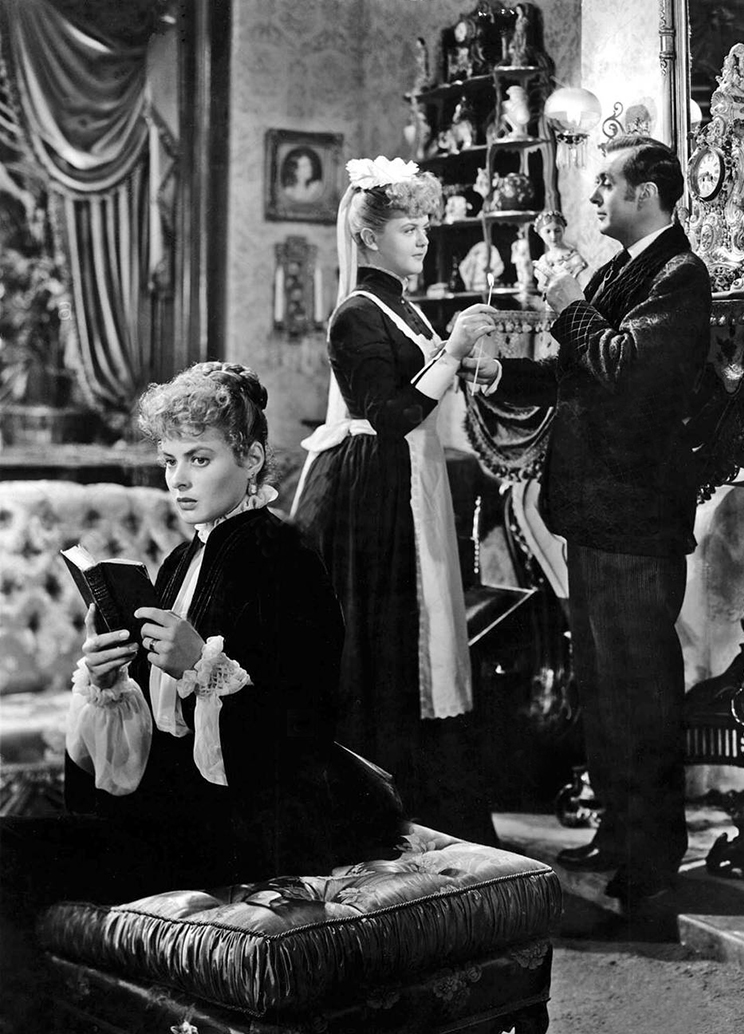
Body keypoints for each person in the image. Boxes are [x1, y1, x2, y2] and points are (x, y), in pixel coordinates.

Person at [1, 362, 405, 923]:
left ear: (251, 459)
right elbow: (160, 726)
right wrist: (109, 679)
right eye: (170, 461)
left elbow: (304, 728)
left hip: (253, 829)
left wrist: (204, 668)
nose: (178, 481)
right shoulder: (180, 560)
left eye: (199, 458)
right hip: (173, 812)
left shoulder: (288, 558)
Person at [464, 136, 712, 904]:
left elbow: (622, 368)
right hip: (592, 517)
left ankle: (653, 859)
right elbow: (574, 373)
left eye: (607, 183)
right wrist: (506, 373)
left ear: (648, 193)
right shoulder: (615, 270)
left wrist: (570, 303)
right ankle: (619, 828)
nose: (595, 196)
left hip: (637, 521)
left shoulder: (680, 277)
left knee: (641, 691)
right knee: (603, 688)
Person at [291, 154, 498, 843]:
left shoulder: (400, 306)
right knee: (387, 645)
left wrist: (472, 362)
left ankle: (433, 817)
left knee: (424, 634)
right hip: (373, 492)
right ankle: (381, 819)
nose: (424, 239)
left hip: (408, 479)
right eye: (410, 228)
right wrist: (453, 351)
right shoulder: (356, 313)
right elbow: (387, 414)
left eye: (425, 226)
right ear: (369, 236)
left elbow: (420, 391)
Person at [531, 210, 588, 292]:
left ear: (563, 230)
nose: (553, 236)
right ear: (540, 234)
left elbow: (583, 285)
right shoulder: (543, 260)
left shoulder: (574, 258)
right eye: (548, 231)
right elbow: (541, 288)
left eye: (557, 231)